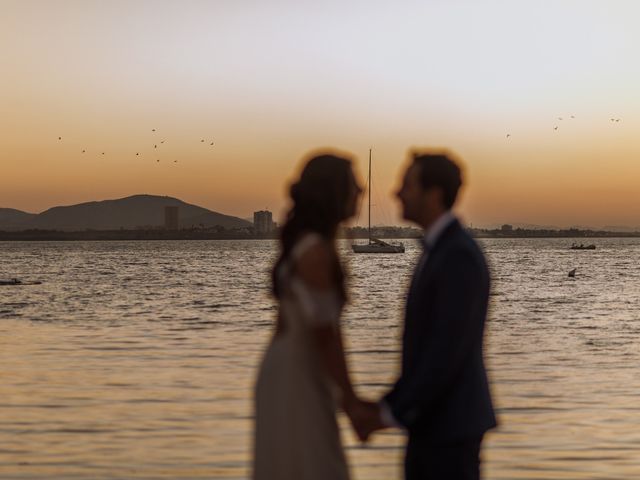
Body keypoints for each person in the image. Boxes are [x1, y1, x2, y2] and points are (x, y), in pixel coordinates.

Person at [356, 151, 497, 480]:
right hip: (433, 423)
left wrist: (386, 412)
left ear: (433, 194)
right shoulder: (440, 250)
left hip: (450, 428)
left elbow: (444, 351)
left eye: (407, 185)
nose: (396, 193)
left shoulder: (457, 255)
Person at [253, 151, 369, 480]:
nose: (361, 190)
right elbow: (325, 335)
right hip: (298, 373)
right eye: (353, 184)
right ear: (333, 192)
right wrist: (351, 402)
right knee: (317, 463)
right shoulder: (316, 252)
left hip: (291, 366)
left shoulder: (306, 244)